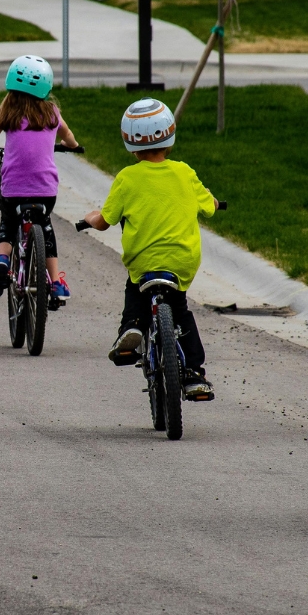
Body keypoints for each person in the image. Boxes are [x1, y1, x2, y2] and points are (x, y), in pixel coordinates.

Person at [82, 98, 216, 401]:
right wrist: (214, 201)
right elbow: (208, 206)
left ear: (129, 142)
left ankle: (132, 327)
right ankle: (194, 375)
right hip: (181, 260)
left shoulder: (127, 178)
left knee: (135, 290)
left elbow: (104, 221)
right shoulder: (185, 173)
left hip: (144, 261)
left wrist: (90, 217)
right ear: (170, 135)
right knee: (179, 310)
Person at [0, 55, 79, 300]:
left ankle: (2, 259)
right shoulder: (52, 113)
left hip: (13, 190)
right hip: (45, 191)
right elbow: (68, 136)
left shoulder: (8, 114)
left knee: (8, 223)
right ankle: (56, 283)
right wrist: (72, 145)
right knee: (46, 228)